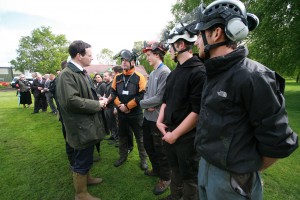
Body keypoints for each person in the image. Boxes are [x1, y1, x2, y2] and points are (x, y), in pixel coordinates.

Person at [192, 1, 299, 200]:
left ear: (216, 34)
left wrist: (247, 173)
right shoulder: (214, 72)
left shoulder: (253, 76)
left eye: (200, 34)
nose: (196, 40)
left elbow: (278, 139)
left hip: (233, 180)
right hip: (206, 169)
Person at [156, 23, 206, 200]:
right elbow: (166, 100)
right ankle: (175, 195)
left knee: (189, 176)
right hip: (169, 132)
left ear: (180, 45)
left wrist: (175, 134)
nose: (169, 51)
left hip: (187, 138)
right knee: (174, 169)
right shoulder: (174, 73)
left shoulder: (198, 72)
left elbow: (197, 111)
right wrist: (159, 121)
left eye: (170, 46)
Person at [56, 40, 107, 200]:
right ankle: (81, 194)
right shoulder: (67, 75)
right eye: (90, 55)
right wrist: (97, 104)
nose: (92, 58)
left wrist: (96, 98)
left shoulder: (80, 72)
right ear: (79, 55)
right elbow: (71, 101)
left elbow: (83, 95)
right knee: (81, 159)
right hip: (80, 126)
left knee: (87, 155)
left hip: (87, 124)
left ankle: (87, 178)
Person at [140, 41, 171, 195]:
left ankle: (166, 178)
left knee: (161, 150)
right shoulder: (152, 73)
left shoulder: (165, 72)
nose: (147, 58)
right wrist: (147, 104)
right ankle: (157, 170)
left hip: (158, 120)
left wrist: (141, 103)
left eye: (149, 55)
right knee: (148, 145)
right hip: (148, 117)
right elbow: (147, 93)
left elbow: (159, 98)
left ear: (157, 54)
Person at [111, 49, 148, 170]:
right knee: (122, 136)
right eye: (122, 60)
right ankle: (122, 156)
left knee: (140, 137)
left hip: (135, 114)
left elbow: (142, 94)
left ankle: (143, 160)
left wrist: (128, 106)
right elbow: (113, 92)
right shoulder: (117, 77)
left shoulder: (139, 77)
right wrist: (120, 106)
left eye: (126, 60)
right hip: (122, 113)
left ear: (133, 62)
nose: (124, 62)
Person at [102, 70, 118, 144]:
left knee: (114, 123)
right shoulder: (106, 84)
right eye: (103, 76)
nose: (104, 77)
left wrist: (105, 102)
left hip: (112, 106)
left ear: (110, 76)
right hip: (107, 107)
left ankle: (116, 138)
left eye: (105, 76)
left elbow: (112, 96)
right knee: (110, 123)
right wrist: (103, 101)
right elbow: (105, 94)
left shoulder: (113, 84)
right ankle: (112, 135)